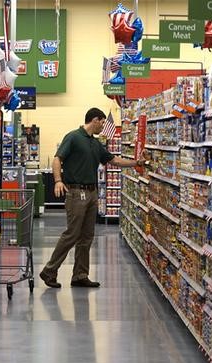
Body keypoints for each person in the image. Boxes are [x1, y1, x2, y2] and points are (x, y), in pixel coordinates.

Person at [39, 108, 148, 288]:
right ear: (95, 120)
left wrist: (136, 163)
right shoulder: (73, 137)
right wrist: (58, 180)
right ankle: (49, 271)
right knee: (72, 234)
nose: (104, 126)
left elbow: (114, 160)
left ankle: (80, 275)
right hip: (76, 192)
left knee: (87, 236)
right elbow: (58, 159)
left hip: (91, 193)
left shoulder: (95, 144)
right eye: (103, 122)